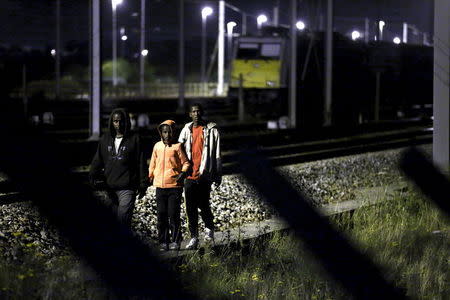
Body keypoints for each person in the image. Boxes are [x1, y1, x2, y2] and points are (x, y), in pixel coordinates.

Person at [89, 108, 149, 228]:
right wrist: (92, 177)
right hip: (109, 188)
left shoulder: (135, 139)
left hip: (127, 188)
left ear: (126, 122)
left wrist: (143, 184)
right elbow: (97, 161)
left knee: (123, 220)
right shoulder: (105, 139)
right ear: (112, 122)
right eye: (115, 121)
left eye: (121, 121)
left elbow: (141, 163)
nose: (118, 124)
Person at [178, 103, 222, 250]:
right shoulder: (186, 130)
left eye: (198, 111)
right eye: (193, 112)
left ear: (201, 113)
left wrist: (217, 173)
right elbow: (179, 150)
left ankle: (209, 229)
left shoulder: (211, 130)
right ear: (190, 114)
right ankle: (194, 237)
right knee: (190, 209)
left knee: (204, 205)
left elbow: (216, 154)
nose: (196, 114)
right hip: (189, 176)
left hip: (204, 175)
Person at [148, 120, 190, 251]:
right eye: (165, 132)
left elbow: (186, 163)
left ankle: (176, 241)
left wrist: (182, 173)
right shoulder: (157, 146)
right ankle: (163, 241)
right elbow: (153, 163)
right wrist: (150, 176)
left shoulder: (178, 146)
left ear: (174, 133)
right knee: (161, 215)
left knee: (173, 214)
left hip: (174, 186)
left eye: (170, 132)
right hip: (160, 187)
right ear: (161, 133)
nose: (167, 135)